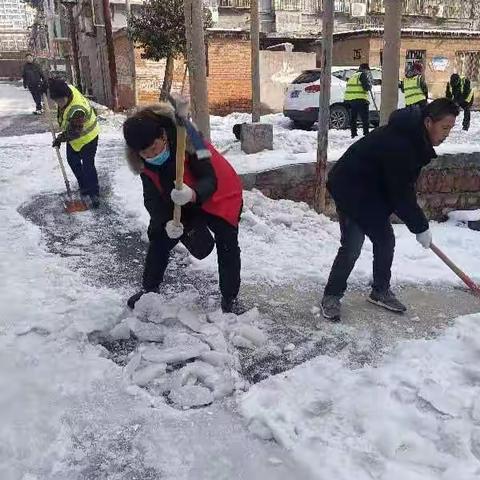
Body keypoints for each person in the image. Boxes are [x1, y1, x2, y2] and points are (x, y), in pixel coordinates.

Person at [321, 98, 460, 322]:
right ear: (427, 122)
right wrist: (420, 227)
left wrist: (416, 223)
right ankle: (332, 295)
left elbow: (400, 186)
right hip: (351, 189)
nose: (446, 134)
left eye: (450, 129)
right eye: (444, 128)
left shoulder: (415, 138)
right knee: (352, 245)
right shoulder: (402, 143)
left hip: (372, 190)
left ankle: (380, 291)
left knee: (385, 239)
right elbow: (401, 193)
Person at [122, 104, 244, 313]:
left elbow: (209, 178)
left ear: (163, 136)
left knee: (227, 243)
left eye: (155, 148)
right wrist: (166, 221)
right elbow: (152, 199)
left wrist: (194, 194)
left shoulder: (189, 142)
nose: (152, 155)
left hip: (220, 195)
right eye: (145, 153)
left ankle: (229, 297)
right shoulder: (144, 163)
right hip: (179, 199)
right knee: (159, 237)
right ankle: (149, 290)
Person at [48, 78, 100, 208]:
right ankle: (84, 187)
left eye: (61, 101)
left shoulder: (77, 110)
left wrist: (60, 138)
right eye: (56, 101)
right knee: (72, 161)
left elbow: (74, 132)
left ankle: (94, 193)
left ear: (66, 95)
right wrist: (45, 85)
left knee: (88, 166)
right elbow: (54, 82)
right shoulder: (67, 88)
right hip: (75, 137)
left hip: (88, 137)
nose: (59, 104)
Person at [344, 63, 372, 138]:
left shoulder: (353, 75)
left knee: (353, 118)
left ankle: (353, 134)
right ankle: (366, 134)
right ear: (365, 69)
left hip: (351, 100)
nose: (367, 72)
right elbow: (366, 87)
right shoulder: (362, 75)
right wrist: (369, 85)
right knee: (365, 118)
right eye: (367, 70)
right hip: (360, 99)